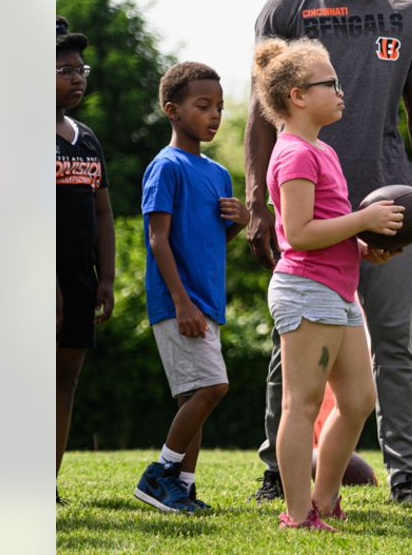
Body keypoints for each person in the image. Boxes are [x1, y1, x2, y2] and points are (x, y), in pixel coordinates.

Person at [245, 0, 412, 505]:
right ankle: (278, 471)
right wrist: (258, 198)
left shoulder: (410, 11)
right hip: (309, 199)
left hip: (390, 199)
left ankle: (405, 474)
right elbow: (261, 114)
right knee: (297, 348)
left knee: (395, 343)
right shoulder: (288, 5)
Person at [253, 37, 404, 530]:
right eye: (330, 84)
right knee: (303, 406)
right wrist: (363, 219)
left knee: (360, 399)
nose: (341, 92)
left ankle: (324, 498)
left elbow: (327, 229)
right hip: (306, 290)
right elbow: (297, 235)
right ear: (297, 95)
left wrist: (364, 245)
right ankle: (298, 515)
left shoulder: (323, 151)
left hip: (338, 290)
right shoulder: (294, 154)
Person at [132, 62, 248, 513]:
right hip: (178, 302)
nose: (214, 115)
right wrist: (181, 301)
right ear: (172, 110)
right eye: (203, 106)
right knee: (213, 388)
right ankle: (159, 474)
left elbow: (209, 238)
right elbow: (158, 238)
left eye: (218, 107)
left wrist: (240, 223)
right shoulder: (166, 167)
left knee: (193, 396)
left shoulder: (218, 174)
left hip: (208, 302)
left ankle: (183, 484)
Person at [55, 16, 114, 504]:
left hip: (79, 277)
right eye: (64, 70)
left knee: (65, 380)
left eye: (81, 69)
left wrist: (107, 277)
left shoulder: (87, 137)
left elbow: (103, 211)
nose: (77, 78)